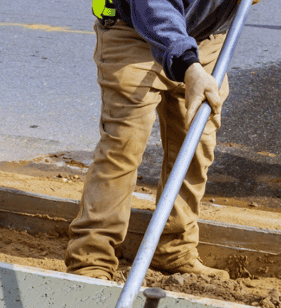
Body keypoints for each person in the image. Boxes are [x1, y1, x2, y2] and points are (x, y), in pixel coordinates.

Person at [65, 0, 260, 281]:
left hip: (207, 41)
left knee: (196, 147)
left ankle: (174, 248)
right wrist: (187, 65)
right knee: (123, 146)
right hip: (137, 33)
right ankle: (91, 258)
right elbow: (154, 6)